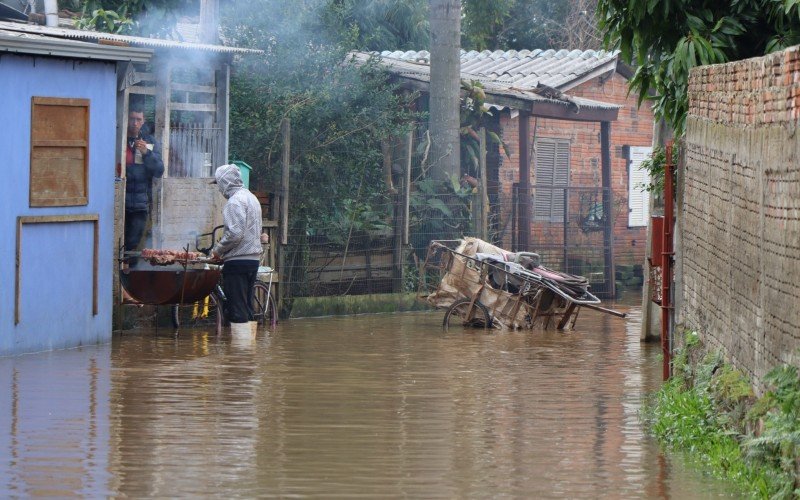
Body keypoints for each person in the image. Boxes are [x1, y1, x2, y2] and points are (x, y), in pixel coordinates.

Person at [210, 164, 263, 337]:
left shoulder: (234, 202)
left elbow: (234, 234)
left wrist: (217, 251)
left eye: (219, 184)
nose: (219, 189)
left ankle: (240, 357)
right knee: (246, 307)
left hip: (238, 261)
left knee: (237, 309)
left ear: (225, 182)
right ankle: (248, 353)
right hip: (253, 260)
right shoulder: (252, 198)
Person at [124, 104, 164, 253]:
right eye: (132, 118)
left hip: (140, 203)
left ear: (143, 121)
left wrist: (147, 153)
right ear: (126, 118)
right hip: (119, 202)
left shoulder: (150, 142)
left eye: (138, 119)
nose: (134, 123)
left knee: (133, 246)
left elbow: (159, 171)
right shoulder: (118, 137)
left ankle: (128, 274)